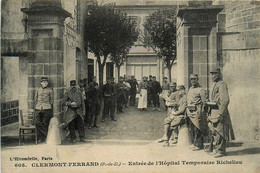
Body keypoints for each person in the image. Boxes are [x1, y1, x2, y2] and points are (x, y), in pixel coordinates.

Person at [206, 67, 235, 158]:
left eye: (215, 74)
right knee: (214, 131)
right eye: (212, 74)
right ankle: (217, 149)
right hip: (213, 111)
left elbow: (225, 100)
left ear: (219, 74)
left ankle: (221, 151)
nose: (213, 76)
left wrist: (220, 113)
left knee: (220, 131)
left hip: (219, 111)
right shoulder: (215, 84)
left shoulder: (222, 84)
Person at [186, 74, 207, 151]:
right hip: (190, 111)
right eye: (191, 79)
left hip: (197, 111)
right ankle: (194, 143)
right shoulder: (190, 89)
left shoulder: (201, 90)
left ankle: (199, 145)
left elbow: (204, 102)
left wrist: (201, 112)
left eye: (194, 79)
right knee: (191, 128)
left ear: (197, 79)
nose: (193, 81)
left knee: (197, 128)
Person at [34, 77, 54, 143]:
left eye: (46, 82)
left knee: (45, 123)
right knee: (37, 122)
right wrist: (38, 104)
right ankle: (47, 135)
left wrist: (47, 105)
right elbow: (35, 99)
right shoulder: (38, 90)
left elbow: (52, 101)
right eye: (44, 82)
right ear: (41, 83)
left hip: (47, 108)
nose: (45, 83)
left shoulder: (50, 90)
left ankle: (41, 138)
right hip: (38, 108)